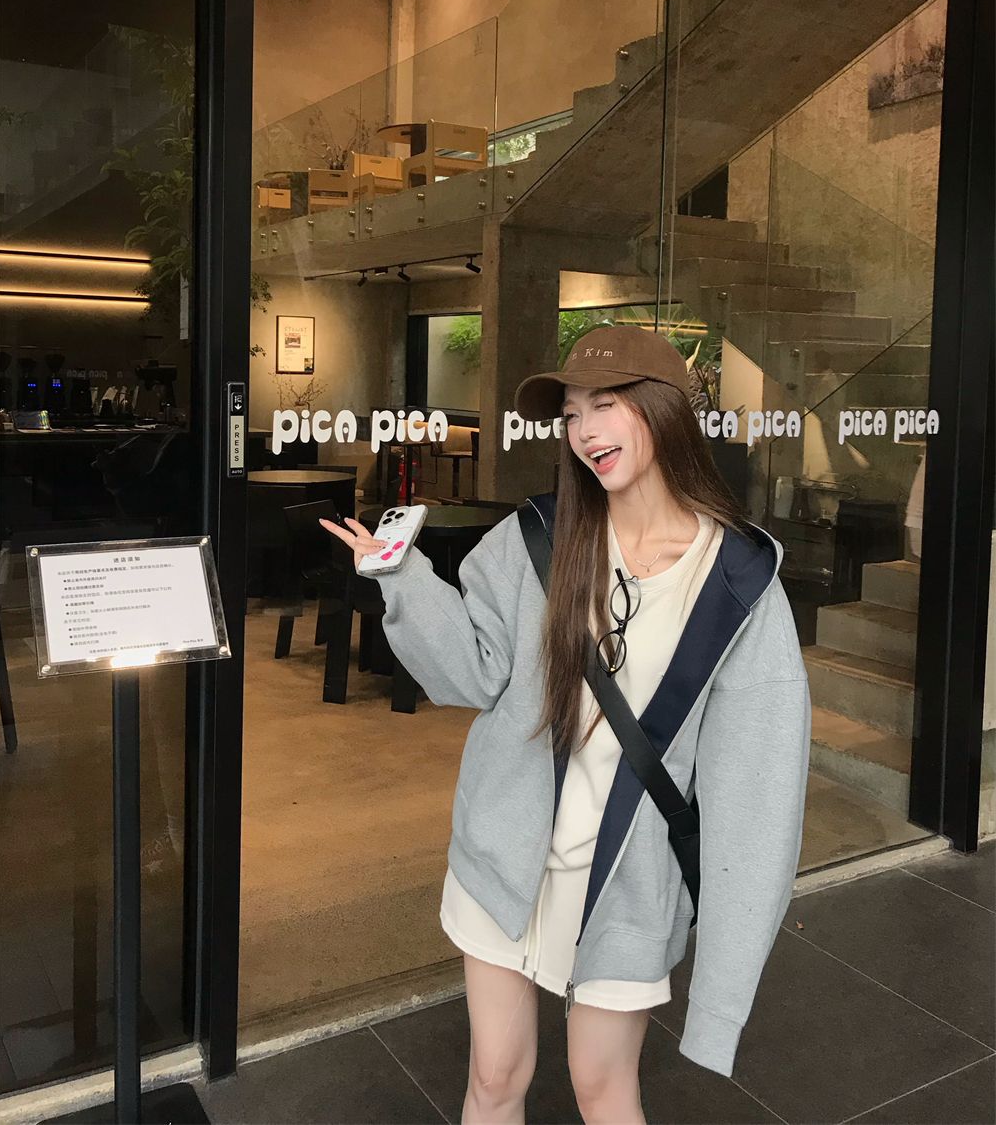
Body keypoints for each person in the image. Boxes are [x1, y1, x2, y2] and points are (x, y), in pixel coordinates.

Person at [321, 324, 812, 1125]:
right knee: (493, 1078)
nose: (585, 430)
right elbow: (473, 669)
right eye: (573, 413)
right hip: (505, 857)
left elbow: (758, 800)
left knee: (602, 1086)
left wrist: (721, 995)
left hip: (628, 881)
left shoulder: (737, 581)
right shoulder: (538, 538)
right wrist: (400, 576)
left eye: (606, 404)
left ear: (663, 408)